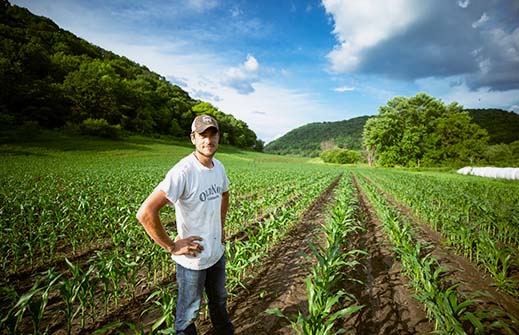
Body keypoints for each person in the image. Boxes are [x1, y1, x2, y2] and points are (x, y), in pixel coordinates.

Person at [136, 115, 234, 335]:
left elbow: (225, 194)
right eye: (203, 135)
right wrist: (172, 246)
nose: (208, 140)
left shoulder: (218, 167)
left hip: (216, 253)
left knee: (219, 300)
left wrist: (221, 225)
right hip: (193, 261)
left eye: (212, 134)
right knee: (189, 313)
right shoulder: (183, 172)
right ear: (193, 138)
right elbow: (145, 213)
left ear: (219, 137)